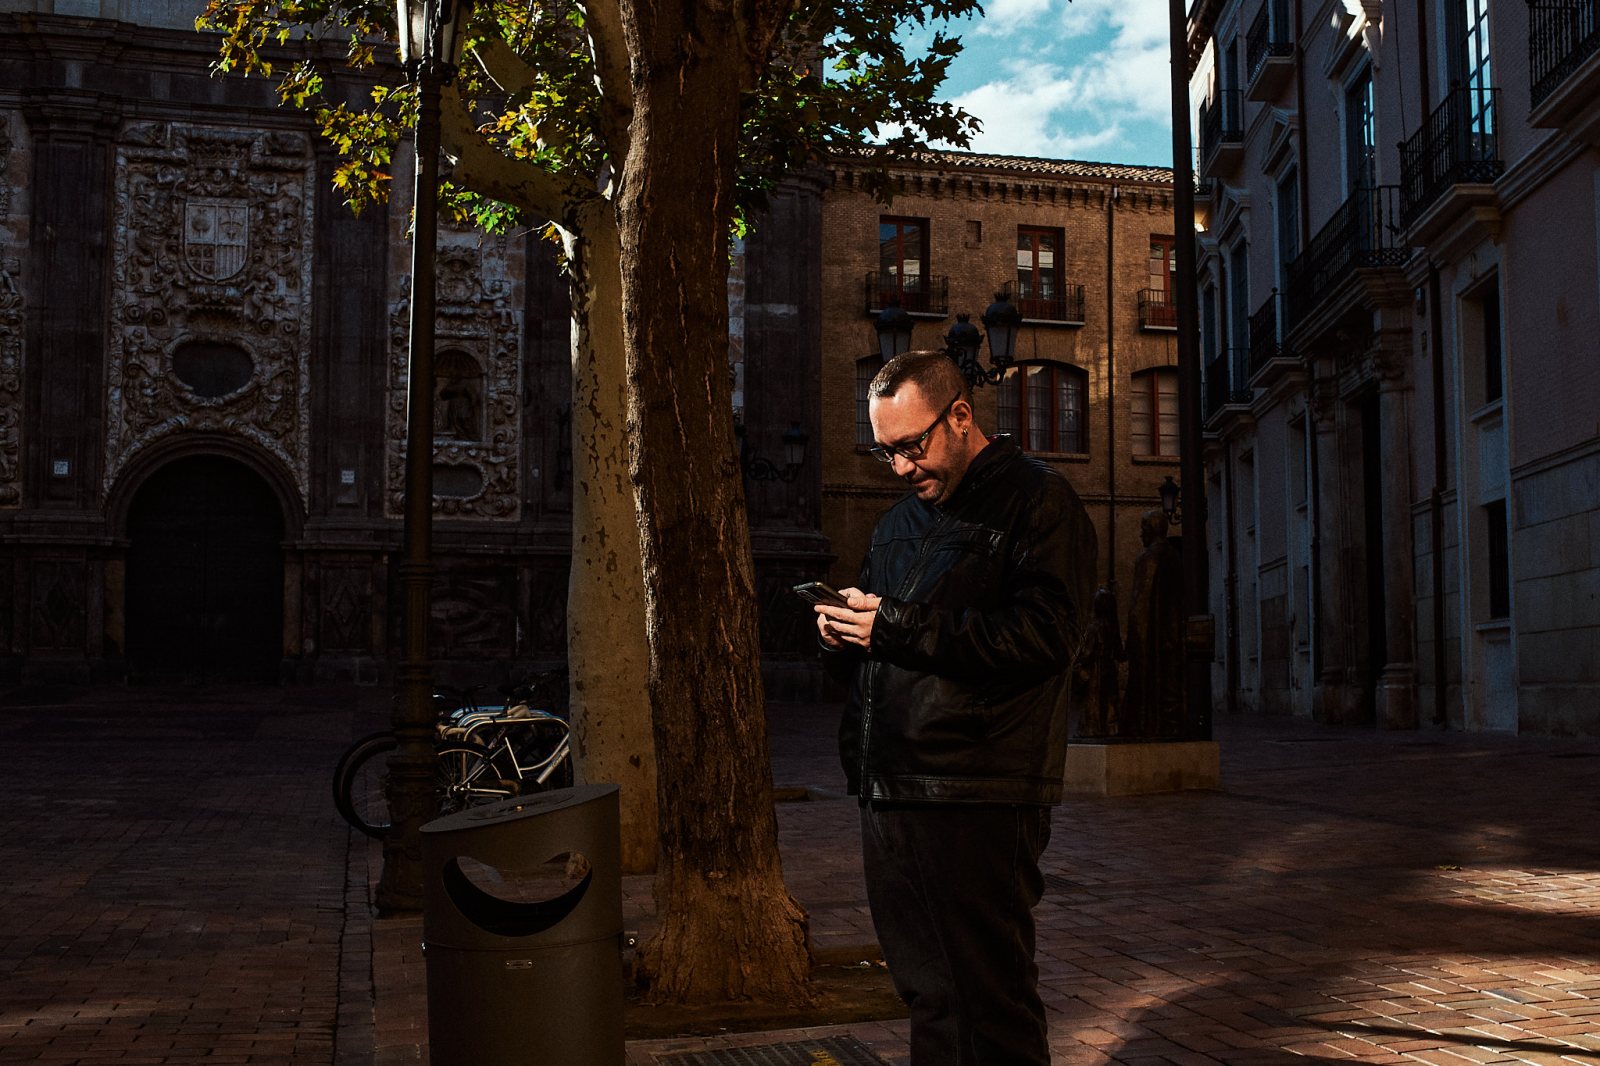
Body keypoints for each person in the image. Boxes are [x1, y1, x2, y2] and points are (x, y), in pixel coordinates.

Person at [813, 350, 1093, 1065]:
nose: (902, 467)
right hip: (891, 787)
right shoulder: (896, 526)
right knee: (930, 997)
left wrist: (897, 626)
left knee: (987, 1001)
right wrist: (844, 634)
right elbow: (888, 647)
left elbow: (1046, 638)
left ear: (961, 416)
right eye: (887, 452)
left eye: (913, 445)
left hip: (980, 791)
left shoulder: (1039, 501)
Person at [1122, 509, 1184, 738]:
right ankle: (1171, 727)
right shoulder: (1174, 557)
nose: (1140, 535)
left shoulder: (1147, 559)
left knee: (1147, 687)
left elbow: (1140, 604)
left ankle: (1147, 726)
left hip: (1152, 638)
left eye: (1143, 529)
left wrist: (1134, 641)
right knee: (1170, 686)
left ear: (1150, 530)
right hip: (1173, 635)